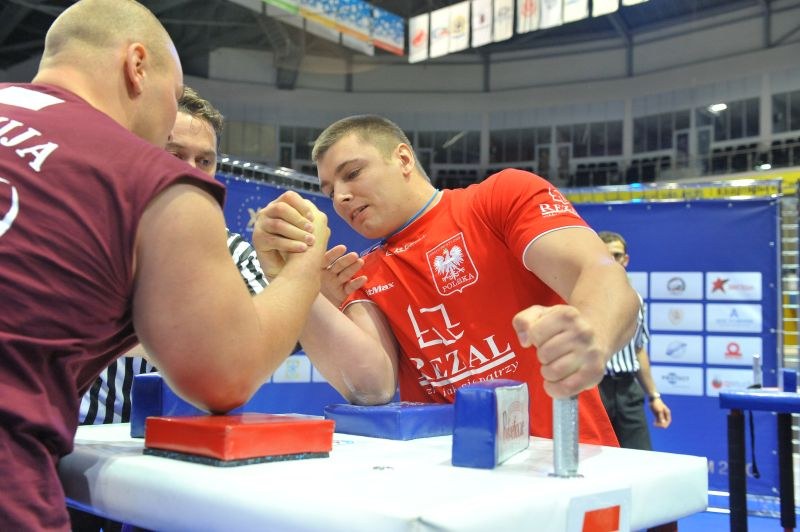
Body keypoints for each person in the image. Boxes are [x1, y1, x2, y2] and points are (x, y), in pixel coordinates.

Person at [0, 1, 328, 529]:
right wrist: (304, 267)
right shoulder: (147, 179)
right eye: (173, 97)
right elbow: (225, 373)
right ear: (137, 66)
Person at [255, 114, 640, 446]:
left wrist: (593, 333)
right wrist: (295, 279)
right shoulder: (363, 274)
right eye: (329, 191)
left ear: (403, 159)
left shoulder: (499, 199)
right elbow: (371, 388)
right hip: (453, 485)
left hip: (563, 466)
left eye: (352, 174)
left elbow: (602, 275)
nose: (340, 196)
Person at [79, 87, 268, 426]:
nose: (192, 171)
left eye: (205, 161)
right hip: (79, 437)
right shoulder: (87, 234)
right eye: (175, 154)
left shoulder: (233, 251)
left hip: (184, 444)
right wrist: (201, 343)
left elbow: (258, 340)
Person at [597, 231, 672, 449]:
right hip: (595, 389)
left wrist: (654, 396)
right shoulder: (577, 297)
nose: (613, 261)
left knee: (641, 460)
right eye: (606, 255)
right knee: (596, 462)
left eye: (617, 255)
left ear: (625, 260)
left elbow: (638, 350)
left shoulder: (636, 299)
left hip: (628, 390)